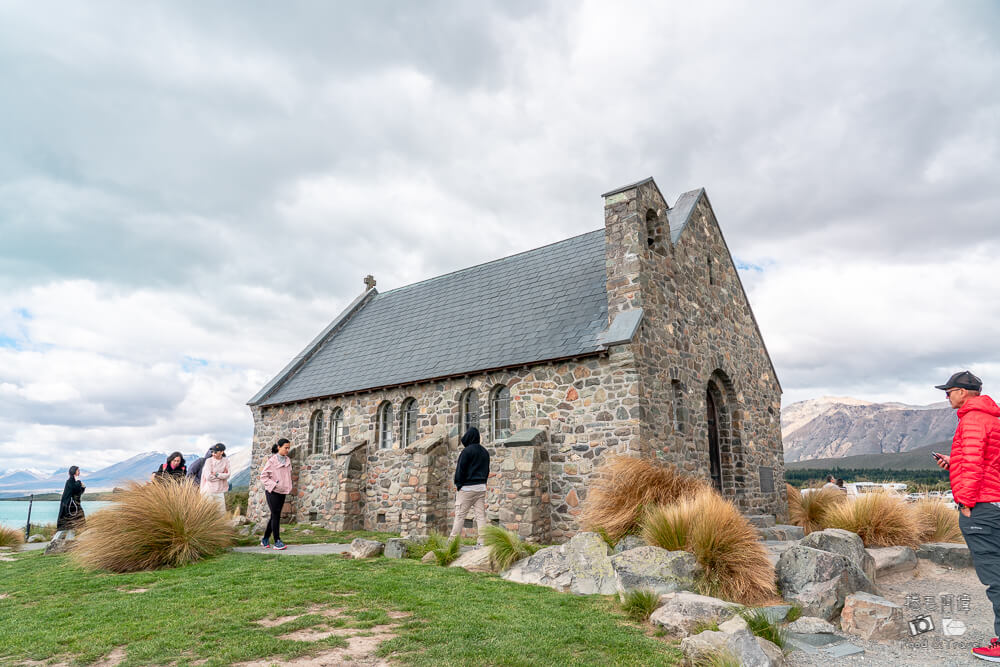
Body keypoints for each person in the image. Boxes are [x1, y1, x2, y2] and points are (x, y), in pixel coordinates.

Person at [932, 370, 1000, 662]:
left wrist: (966, 503)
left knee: (995, 577)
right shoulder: (992, 418)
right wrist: (953, 463)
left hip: (981, 508)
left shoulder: (971, 419)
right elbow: (985, 463)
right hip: (994, 502)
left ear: (963, 392)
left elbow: (973, 466)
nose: (947, 396)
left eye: (948, 391)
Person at [449, 426, 490, 545]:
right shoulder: (485, 452)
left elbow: (460, 471)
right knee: (480, 516)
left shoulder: (466, 452)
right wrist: (483, 483)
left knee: (460, 515)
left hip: (466, 488)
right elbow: (487, 470)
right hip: (480, 488)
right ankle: (482, 542)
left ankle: (452, 542)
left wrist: (459, 485)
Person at [259, 438, 293, 550]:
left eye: (288, 448)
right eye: (285, 448)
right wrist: (274, 484)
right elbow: (263, 477)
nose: (287, 450)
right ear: (279, 447)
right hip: (272, 491)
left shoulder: (288, 460)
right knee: (276, 515)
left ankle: (265, 539)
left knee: (275, 515)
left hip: (282, 491)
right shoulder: (272, 461)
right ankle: (277, 540)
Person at [200, 443, 230, 513]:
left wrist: (216, 474)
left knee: (221, 513)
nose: (213, 453)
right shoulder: (209, 461)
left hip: (220, 490)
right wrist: (222, 475)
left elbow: (228, 475)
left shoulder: (226, 461)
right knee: (208, 513)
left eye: (215, 452)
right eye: (212, 452)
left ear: (222, 452)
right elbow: (208, 477)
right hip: (208, 490)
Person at [56, 466, 86, 531]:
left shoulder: (74, 481)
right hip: (69, 505)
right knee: (72, 520)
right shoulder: (70, 481)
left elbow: (78, 493)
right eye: (78, 470)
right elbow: (74, 489)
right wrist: (79, 483)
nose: (79, 472)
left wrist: (83, 487)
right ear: (74, 471)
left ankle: (76, 534)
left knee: (79, 518)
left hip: (73, 504)